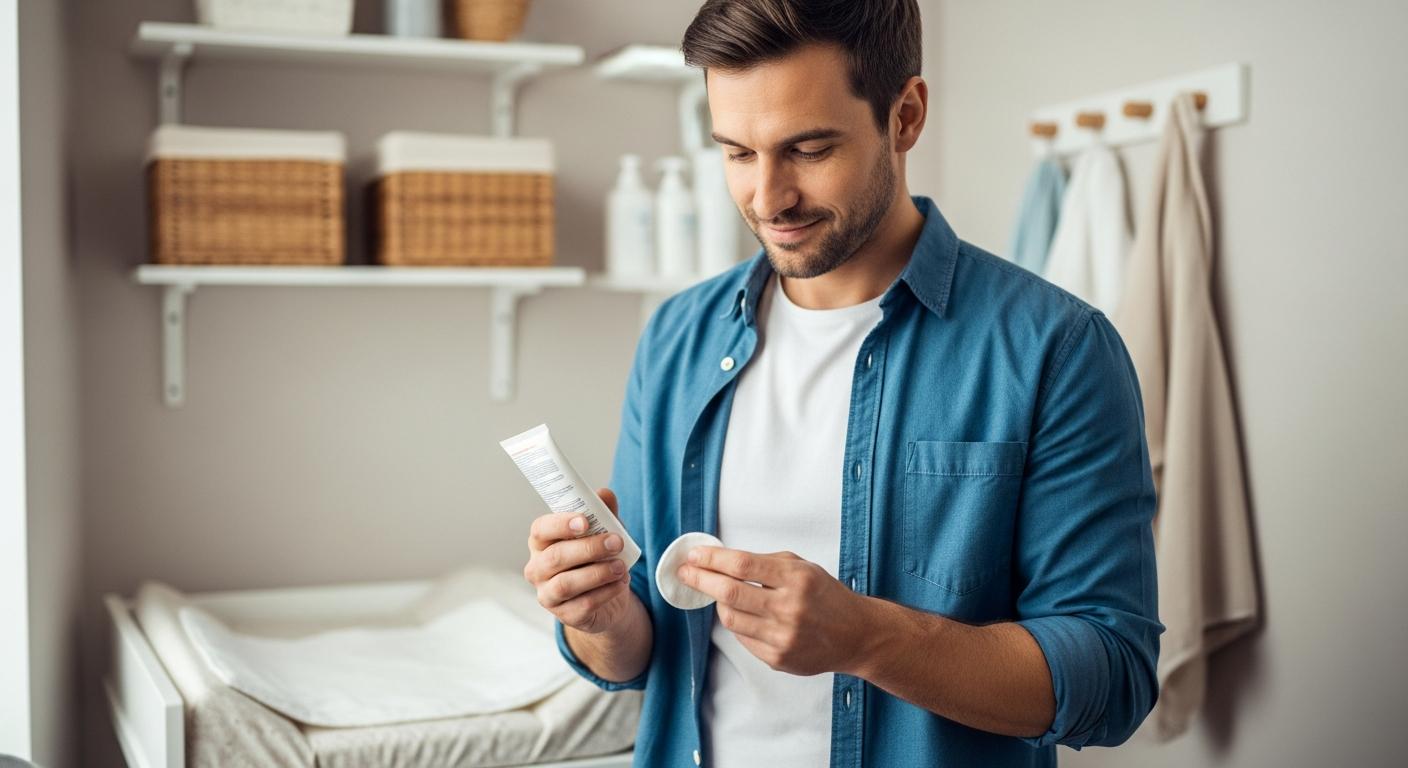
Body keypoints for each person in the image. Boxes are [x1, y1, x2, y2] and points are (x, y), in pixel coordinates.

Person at [521, 1, 1163, 765]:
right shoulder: (676, 337)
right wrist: (600, 618)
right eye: (736, 152)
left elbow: (1113, 676)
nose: (768, 198)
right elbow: (640, 659)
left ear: (906, 115)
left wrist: (868, 638)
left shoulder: (1055, 348)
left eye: (809, 148)